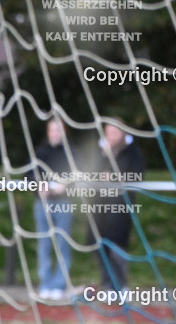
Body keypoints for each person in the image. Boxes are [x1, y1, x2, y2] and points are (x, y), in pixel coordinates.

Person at [88, 124, 144, 293]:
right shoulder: (100, 151)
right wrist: (104, 158)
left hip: (121, 207)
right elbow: (89, 172)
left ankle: (120, 285)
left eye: (114, 132)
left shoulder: (132, 152)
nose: (111, 136)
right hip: (99, 208)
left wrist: (116, 176)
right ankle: (107, 285)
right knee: (100, 246)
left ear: (122, 133)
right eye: (108, 132)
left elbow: (138, 175)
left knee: (117, 246)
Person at [30, 118, 75, 300]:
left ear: (64, 132)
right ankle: (45, 283)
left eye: (58, 130)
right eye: (52, 130)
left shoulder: (71, 153)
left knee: (62, 244)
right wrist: (38, 186)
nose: (55, 133)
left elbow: (79, 172)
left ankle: (59, 285)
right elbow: (30, 174)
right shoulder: (40, 152)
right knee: (44, 244)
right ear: (48, 132)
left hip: (64, 202)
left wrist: (65, 184)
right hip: (43, 204)